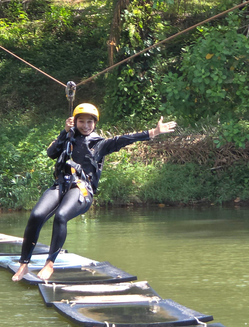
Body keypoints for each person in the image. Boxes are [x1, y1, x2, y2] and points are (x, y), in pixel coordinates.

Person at [12, 103, 177, 282]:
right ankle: (24, 264)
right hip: (61, 185)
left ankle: (49, 263)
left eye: (89, 122)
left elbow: (124, 139)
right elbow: (51, 153)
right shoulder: (68, 138)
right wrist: (64, 132)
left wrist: (153, 132)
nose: (85, 125)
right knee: (36, 215)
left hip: (82, 189)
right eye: (81, 121)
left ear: (95, 124)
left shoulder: (100, 144)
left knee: (61, 216)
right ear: (74, 122)